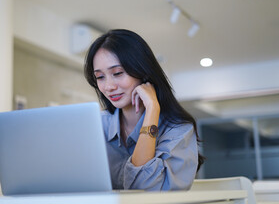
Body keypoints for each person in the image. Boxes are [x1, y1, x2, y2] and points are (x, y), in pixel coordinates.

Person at [84, 29, 204, 191]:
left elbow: (144, 191)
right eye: (100, 77)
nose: (109, 87)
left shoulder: (178, 130)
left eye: (118, 73)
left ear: (142, 72)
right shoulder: (96, 126)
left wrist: (152, 110)